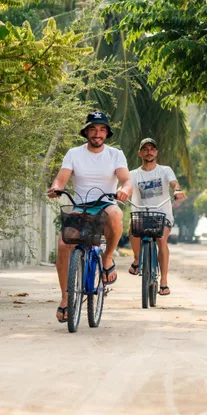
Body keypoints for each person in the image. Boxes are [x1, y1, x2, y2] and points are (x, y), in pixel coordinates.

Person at [46, 111, 132, 323]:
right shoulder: (74, 154)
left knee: (115, 213)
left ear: (107, 133)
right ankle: (66, 298)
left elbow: (126, 180)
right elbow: (60, 179)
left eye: (102, 129)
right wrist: (56, 188)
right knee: (63, 245)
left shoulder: (115, 155)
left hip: (106, 203)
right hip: (80, 207)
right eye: (93, 129)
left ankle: (108, 257)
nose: (97, 133)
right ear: (86, 132)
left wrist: (124, 190)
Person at [127, 138, 187, 296]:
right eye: (145, 149)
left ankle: (164, 281)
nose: (149, 152)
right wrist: (120, 192)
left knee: (161, 239)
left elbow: (174, 183)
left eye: (152, 149)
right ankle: (137, 259)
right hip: (141, 214)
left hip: (162, 215)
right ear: (140, 153)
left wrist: (177, 190)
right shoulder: (133, 174)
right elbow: (126, 186)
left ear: (156, 152)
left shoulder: (165, 170)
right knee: (132, 229)